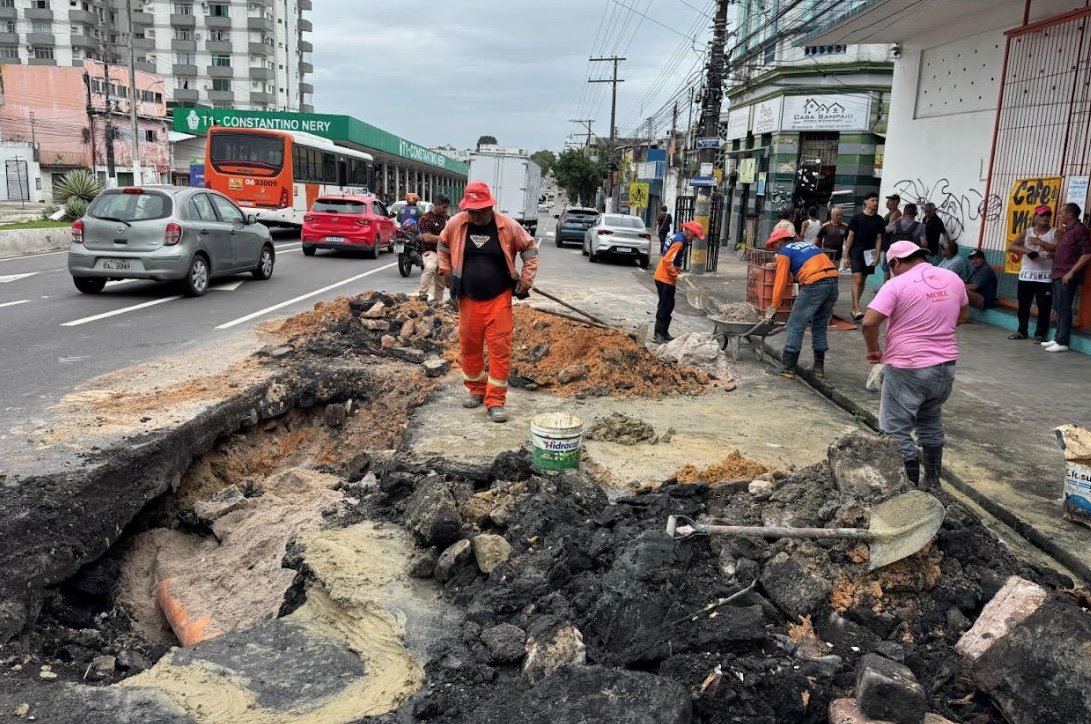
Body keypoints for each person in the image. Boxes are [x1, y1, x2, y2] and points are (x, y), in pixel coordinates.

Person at [861, 240, 969, 488]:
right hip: (945, 367)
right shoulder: (952, 278)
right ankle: (931, 481)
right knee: (929, 420)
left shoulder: (896, 284)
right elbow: (963, 315)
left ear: (896, 262)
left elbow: (869, 322)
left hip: (908, 365)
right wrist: (936, 327)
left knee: (895, 428)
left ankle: (908, 490)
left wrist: (873, 350)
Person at [437, 182, 539, 423]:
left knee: (500, 349)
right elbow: (442, 245)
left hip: (498, 298)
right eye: (471, 211)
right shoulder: (456, 224)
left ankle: (495, 401)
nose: (475, 216)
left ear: (490, 206)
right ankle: (476, 390)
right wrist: (445, 269)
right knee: (469, 346)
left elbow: (530, 249)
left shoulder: (507, 226)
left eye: (480, 211)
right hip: (468, 297)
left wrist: (526, 279)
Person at [765, 228, 840, 380]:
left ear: (780, 242)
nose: (775, 251)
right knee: (819, 325)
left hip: (815, 283)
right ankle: (818, 368)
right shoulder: (807, 245)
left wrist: (773, 306)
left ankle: (787, 368)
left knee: (794, 325)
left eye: (774, 246)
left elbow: (780, 282)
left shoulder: (785, 252)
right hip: (833, 281)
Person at [1038, 202, 1091, 352]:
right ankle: (1057, 337)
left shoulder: (1079, 230)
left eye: (1061, 213)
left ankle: (1062, 341)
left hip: (1066, 275)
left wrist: (1072, 272)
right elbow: (1067, 253)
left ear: (1070, 214)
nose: (1059, 216)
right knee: (1058, 307)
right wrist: (1052, 255)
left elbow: (1087, 254)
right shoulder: (1067, 231)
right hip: (1057, 273)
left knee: (1064, 308)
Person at [1006, 204, 1054, 341]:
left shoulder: (1055, 232)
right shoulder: (1026, 232)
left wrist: (1041, 244)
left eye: (1048, 214)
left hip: (1045, 276)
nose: (1045, 217)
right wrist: (1028, 251)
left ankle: (1040, 334)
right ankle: (1022, 331)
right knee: (1023, 305)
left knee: (1044, 307)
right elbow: (1012, 246)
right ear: (1035, 217)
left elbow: (1060, 248)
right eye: (1042, 214)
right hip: (1026, 275)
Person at [654, 221, 703, 344]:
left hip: (665, 276)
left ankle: (664, 332)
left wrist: (678, 272)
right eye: (694, 235)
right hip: (665, 277)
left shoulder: (678, 237)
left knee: (669, 305)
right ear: (688, 230)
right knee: (665, 306)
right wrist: (676, 275)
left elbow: (672, 259)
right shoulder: (679, 242)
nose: (694, 238)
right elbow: (668, 261)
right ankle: (658, 334)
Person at [843, 192, 885, 320]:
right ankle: (856, 309)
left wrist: (877, 254)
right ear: (866, 202)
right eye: (873, 200)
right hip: (856, 252)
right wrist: (846, 255)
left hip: (870, 254)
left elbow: (879, 238)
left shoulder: (879, 220)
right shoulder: (857, 218)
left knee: (862, 280)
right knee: (858, 279)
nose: (875, 203)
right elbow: (850, 236)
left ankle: (854, 307)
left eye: (876, 201)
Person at [417, 194, 450, 302]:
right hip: (429, 251)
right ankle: (422, 294)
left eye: (446, 208)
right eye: (444, 207)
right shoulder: (425, 218)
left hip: (444, 252)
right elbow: (427, 238)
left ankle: (438, 303)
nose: (445, 210)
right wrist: (444, 238)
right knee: (431, 266)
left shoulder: (447, 219)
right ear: (436, 204)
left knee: (440, 282)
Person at [880, 194, 903, 281]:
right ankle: (886, 284)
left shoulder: (896, 213)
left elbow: (889, 228)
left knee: (886, 265)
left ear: (896, 203)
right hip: (885, 242)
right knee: (884, 265)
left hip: (889, 243)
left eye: (890, 201)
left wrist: (878, 230)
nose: (887, 202)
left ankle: (887, 284)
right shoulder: (890, 213)